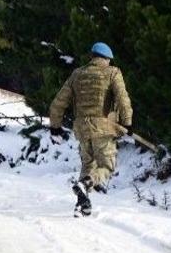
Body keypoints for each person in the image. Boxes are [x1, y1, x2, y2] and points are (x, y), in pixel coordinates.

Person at [48, 42, 133, 216]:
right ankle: (87, 183)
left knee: (87, 165)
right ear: (107, 59)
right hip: (103, 128)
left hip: (82, 129)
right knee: (107, 167)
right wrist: (127, 122)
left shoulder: (77, 74)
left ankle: (82, 205)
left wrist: (55, 127)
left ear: (92, 57)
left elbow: (57, 104)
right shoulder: (113, 72)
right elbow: (123, 99)